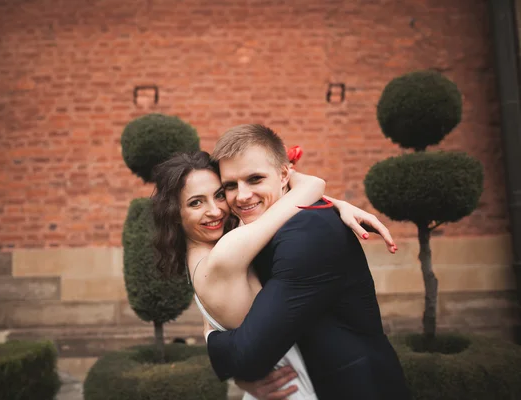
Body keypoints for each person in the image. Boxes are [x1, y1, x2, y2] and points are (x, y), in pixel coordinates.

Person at [151, 149, 399, 399]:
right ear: (174, 213)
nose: (215, 211)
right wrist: (335, 203)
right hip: (291, 387)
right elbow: (310, 186)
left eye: (218, 195)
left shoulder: (201, 257)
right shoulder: (227, 250)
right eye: (196, 202)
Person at [203, 124, 410, 400]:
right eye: (230, 185)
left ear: (285, 174)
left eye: (254, 179)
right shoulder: (258, 228)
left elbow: (249, 355)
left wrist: (208, 335)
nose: (241, 196)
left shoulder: (309, 234)